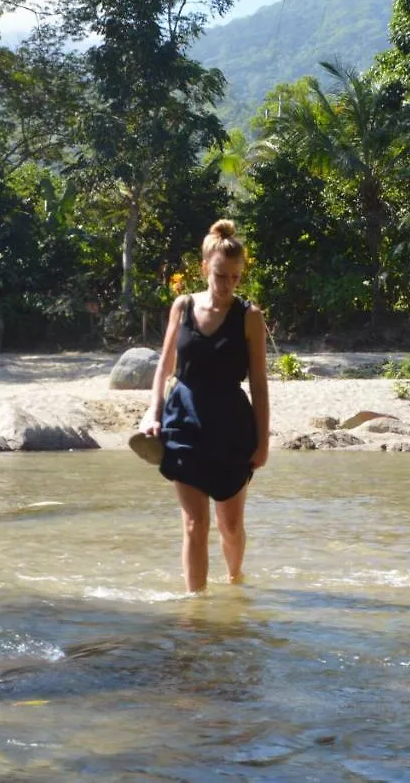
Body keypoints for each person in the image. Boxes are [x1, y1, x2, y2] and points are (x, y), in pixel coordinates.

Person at [136, 219, 270, 594]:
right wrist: (153, 411)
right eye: (220, 275)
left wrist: (263, 443)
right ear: (203, 268)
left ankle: (234, 581)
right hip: (184, 421)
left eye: (235, 277)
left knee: (229, 526)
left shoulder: (250, 317)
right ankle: (195, 609)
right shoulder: (182, 306)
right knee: (195, 524)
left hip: (231, 428)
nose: (227, 284)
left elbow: (259, 384)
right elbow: (165, 366)